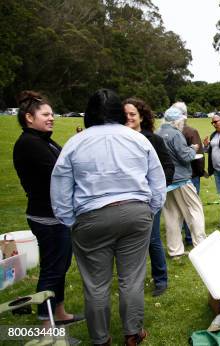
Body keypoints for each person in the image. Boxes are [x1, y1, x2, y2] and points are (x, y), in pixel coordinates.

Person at [51, 89, 166, 345]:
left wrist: (70, 219)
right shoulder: (137, 139)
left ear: (89, 114)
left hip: (91, 217)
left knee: (95, 284)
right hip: (135, 212)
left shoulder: (75, 143)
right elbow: (157, 180)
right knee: (132, 278)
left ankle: (101, 339)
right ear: (119, 113)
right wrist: (150, 210)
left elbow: (60, 186)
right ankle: (133, 331)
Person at [12, 91, 83, 328]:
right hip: (47, 216)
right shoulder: (30, 144)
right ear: (29, 118)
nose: (51, 118)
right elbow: (60, 173)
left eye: (52, 114)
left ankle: (59, 312)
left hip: (56, 214)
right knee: (53, 269)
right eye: (45, 114)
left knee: (60, 266)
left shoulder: (44, 140)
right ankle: (46, 324)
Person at [123, 97, 174, 297]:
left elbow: (168, 167)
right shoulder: (118, 138)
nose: (128, 118)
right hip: (126, 199)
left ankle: (161, 279)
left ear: (142, 117)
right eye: (124, 115)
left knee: (152, 239)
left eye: (132, 114)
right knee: (129, 242)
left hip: (149, 199)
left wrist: (158, 190)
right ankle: (133, 281)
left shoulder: (153, 139)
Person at [156, 106, 206, 258]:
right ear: (177, 121)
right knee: (195, 210)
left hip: (165, 180)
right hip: (182, 179)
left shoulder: (157, 133)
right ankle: (201, 246)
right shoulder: (175, 134)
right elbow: (185, 156)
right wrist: (193, 148)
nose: (183, 124)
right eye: (182, 121)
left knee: (171, 216)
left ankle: (175, 250)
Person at [172, 102, 205, 246]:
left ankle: (179, 239)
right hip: (190, 175)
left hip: (172, 177)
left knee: (176, 209)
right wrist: (200, 172)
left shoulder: (166, 132)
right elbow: (198, 155)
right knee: (193, 208)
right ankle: (191, 237)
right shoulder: (191, 131)